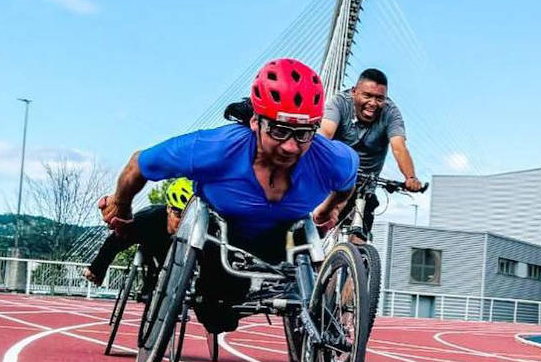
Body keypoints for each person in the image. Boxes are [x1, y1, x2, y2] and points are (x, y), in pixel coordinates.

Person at [99, 58, 359, 333]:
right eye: (280, 131)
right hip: (221, 237)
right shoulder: (215, 148)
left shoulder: (331, 158)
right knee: (217, 319)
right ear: (256, 122)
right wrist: (122, 207)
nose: (291, 146)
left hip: (281, 237)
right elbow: (137, 165)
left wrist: (332, 208)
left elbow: (347, 182)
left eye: (304, 133)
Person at [318, 68, 422, 238]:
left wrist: (410, 177)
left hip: (366, 185)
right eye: (367, 96)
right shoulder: (339, 103)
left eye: (379, 98)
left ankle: (356, 260)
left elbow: (399, 147)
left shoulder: (391, 113)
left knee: (360, 239)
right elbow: (325, 135)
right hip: (336, 179)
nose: (373, 103)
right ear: (354, 92)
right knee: (317, 230)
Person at [83, 178, 193, 297]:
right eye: (178, 216)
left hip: (179, 253)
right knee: (153, 274)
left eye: (188, 218)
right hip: (152, 244)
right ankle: (149, 290)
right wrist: (97, 269)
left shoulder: (202, 226)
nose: (182, 222)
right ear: (169, 209)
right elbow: (114, 241)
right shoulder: (148, 220)